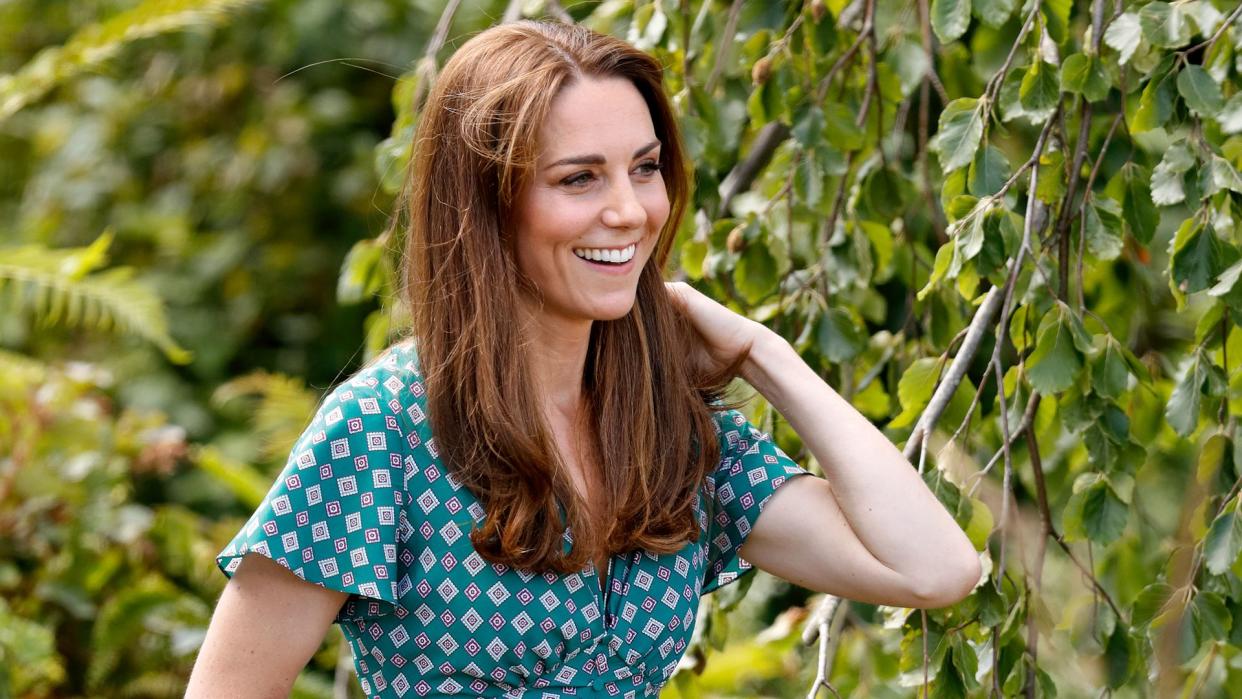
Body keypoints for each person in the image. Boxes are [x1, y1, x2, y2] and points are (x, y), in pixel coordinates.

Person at [186, 20, 980, 699]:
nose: (630, 211)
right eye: (579, 178)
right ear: (490, 204)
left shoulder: (670, 430)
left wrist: (766, 357)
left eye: (644, 167)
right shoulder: (385, 427)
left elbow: (934, 571)